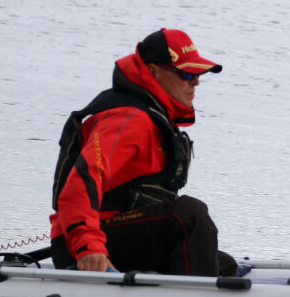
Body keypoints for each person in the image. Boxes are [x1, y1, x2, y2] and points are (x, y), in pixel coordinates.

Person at [49, 28, 233, 276]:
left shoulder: (153, 116)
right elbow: (81, 183)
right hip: (87, 242)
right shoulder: (130, 119)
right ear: (154, 71)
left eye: (199, 74)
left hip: (120, 230)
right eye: (187, 73)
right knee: (189, 217)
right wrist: (88, 246)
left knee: (224, 263)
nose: (196, 82)